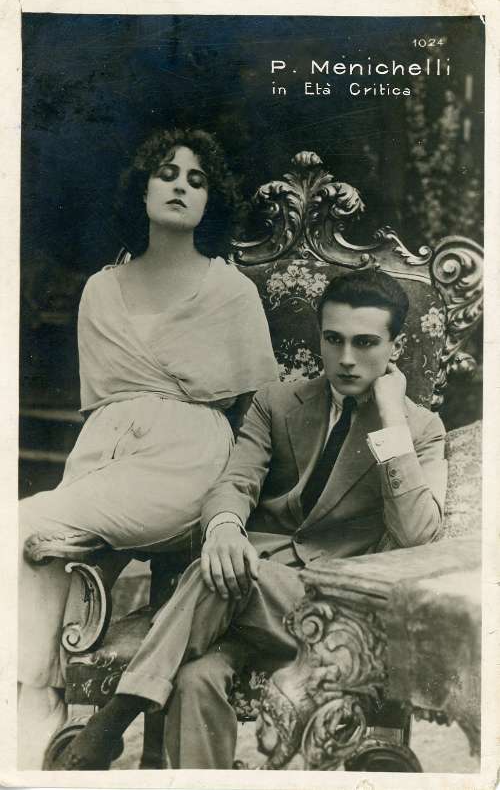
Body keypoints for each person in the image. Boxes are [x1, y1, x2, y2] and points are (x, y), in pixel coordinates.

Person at [58, 269, 448, 770]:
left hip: (338, 618)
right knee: (195, 679)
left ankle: (114, 719)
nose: (347, 358)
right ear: (320, 338)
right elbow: (236, 481)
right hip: (248, 602)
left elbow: (419, 534)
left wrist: (392, 419)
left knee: (216, 576)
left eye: (366, 342)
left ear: (395, 346)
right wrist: (224, 527)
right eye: (334, 339)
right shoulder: (277, 402)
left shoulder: (420, 429)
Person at [18, 128, 278, 768]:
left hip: (189, 460)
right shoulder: (100, 290)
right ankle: (37, 692)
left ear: (210, 202)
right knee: (35, 541)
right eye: (167, 173)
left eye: (197, 179)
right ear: (142, 189)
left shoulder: (231, 292)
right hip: (108, 457)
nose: (181, 186)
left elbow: (257, 408)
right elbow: (101, 404)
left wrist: (234, 506)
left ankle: (37, 700)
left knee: (21, 523)